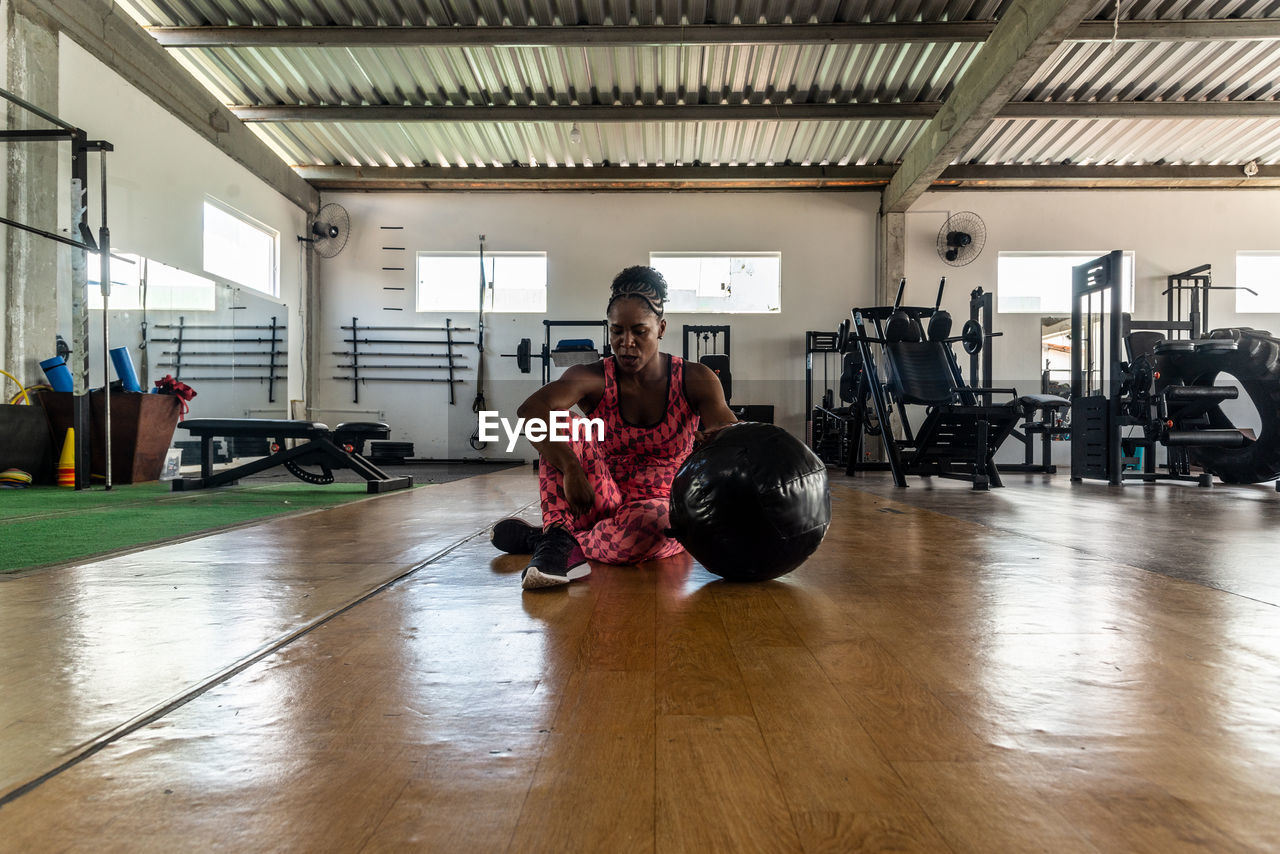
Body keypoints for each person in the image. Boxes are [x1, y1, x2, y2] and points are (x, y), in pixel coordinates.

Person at [491, 265, 738, 589]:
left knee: (653, 528)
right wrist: (572, 469)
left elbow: (732, 435)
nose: (627, 343)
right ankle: (560, 538)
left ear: (660, 328)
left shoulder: (694, 378)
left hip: (658, 506)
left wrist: (718, 441)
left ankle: (550, 539)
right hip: (595, 495)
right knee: (558, 421)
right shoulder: (593, 375)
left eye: (639, 331)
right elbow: (530, 411)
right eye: (617, 332)